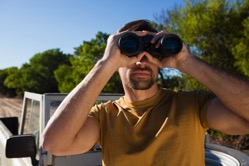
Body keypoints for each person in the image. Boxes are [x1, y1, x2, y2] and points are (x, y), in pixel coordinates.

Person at [41, 20, 249, 165]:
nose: (141, 60)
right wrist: (105, 63)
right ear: (117, 61)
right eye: (130, 50)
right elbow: (55, 144)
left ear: (160, 63)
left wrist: (186, 61)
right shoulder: (104, 115)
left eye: (150, 52)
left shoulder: (193, 105)